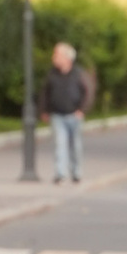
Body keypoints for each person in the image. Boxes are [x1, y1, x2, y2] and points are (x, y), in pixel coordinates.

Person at [42, 41, 91, 183]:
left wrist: (82, 109)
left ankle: (76, 172)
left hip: (74, 115)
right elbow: (46, 92)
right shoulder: (52, 74)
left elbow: (87, 92)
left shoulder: (78, 73)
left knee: (75, 145)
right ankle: (60, 173)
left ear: (66, 58)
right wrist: (45, 110)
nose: (54, 58)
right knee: (59, 144)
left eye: (57, 54)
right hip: (57, 114)